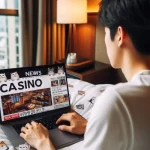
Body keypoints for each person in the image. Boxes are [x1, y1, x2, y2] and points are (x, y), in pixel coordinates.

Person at [20, 0, 150, 149]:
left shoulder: (117, 100)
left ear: (119, 35)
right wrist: (92, 127)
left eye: (106, 33)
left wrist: (43, 143)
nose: (106, 39)